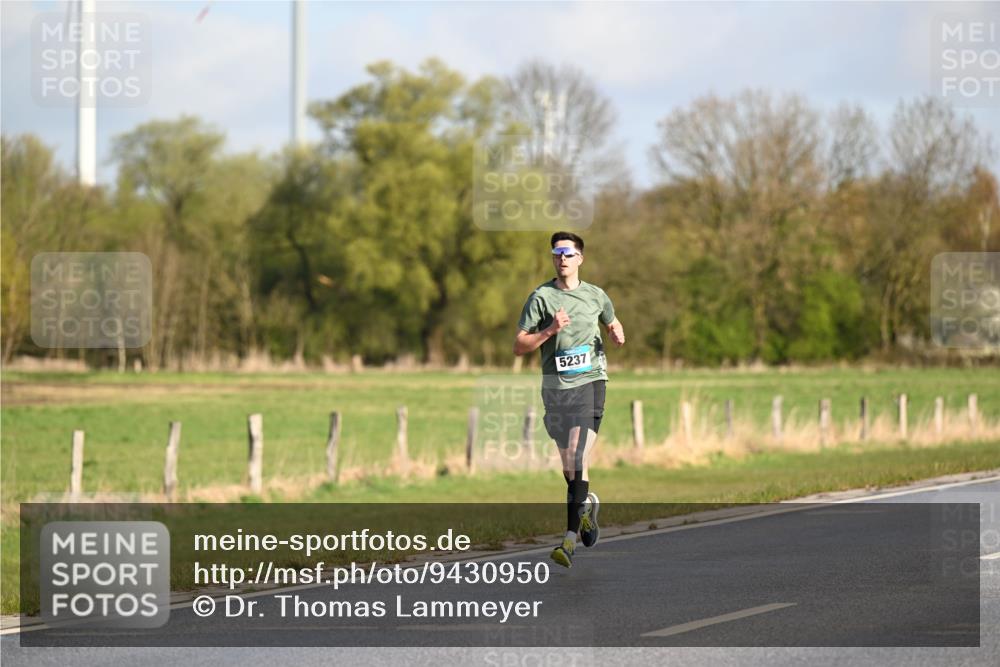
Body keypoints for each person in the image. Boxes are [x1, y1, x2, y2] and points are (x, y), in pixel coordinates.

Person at [513, 231, 625, 568]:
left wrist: (617, 331)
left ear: (580, 258)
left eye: (568, 253)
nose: (562, 258)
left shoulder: (596, 295)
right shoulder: (541, 298)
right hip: (555, 389)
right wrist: (549, 331)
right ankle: (587, 507)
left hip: (591, 383)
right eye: (556, 253)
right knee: (569, 467)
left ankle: (569, 540)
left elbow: (611, 320)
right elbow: (519, 346)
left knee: (577, 456)